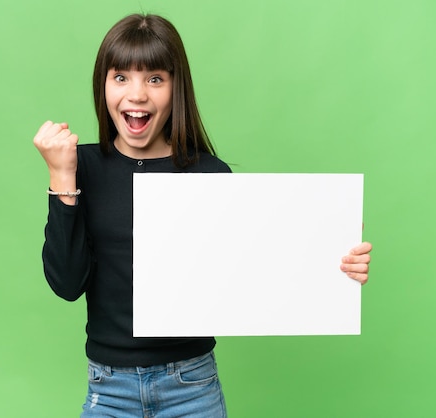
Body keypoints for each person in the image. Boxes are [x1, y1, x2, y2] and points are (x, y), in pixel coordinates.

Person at [33, 13, 372, 418]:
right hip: (109, 388)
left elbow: (255, 269)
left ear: (176, 87)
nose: (137, 94)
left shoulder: (208, 174)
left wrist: (332, 251)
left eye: (155, 78)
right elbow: (68, 284)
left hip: (190, 387)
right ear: (102, 85)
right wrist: (61, 175)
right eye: (120, 76)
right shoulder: (81, 166)